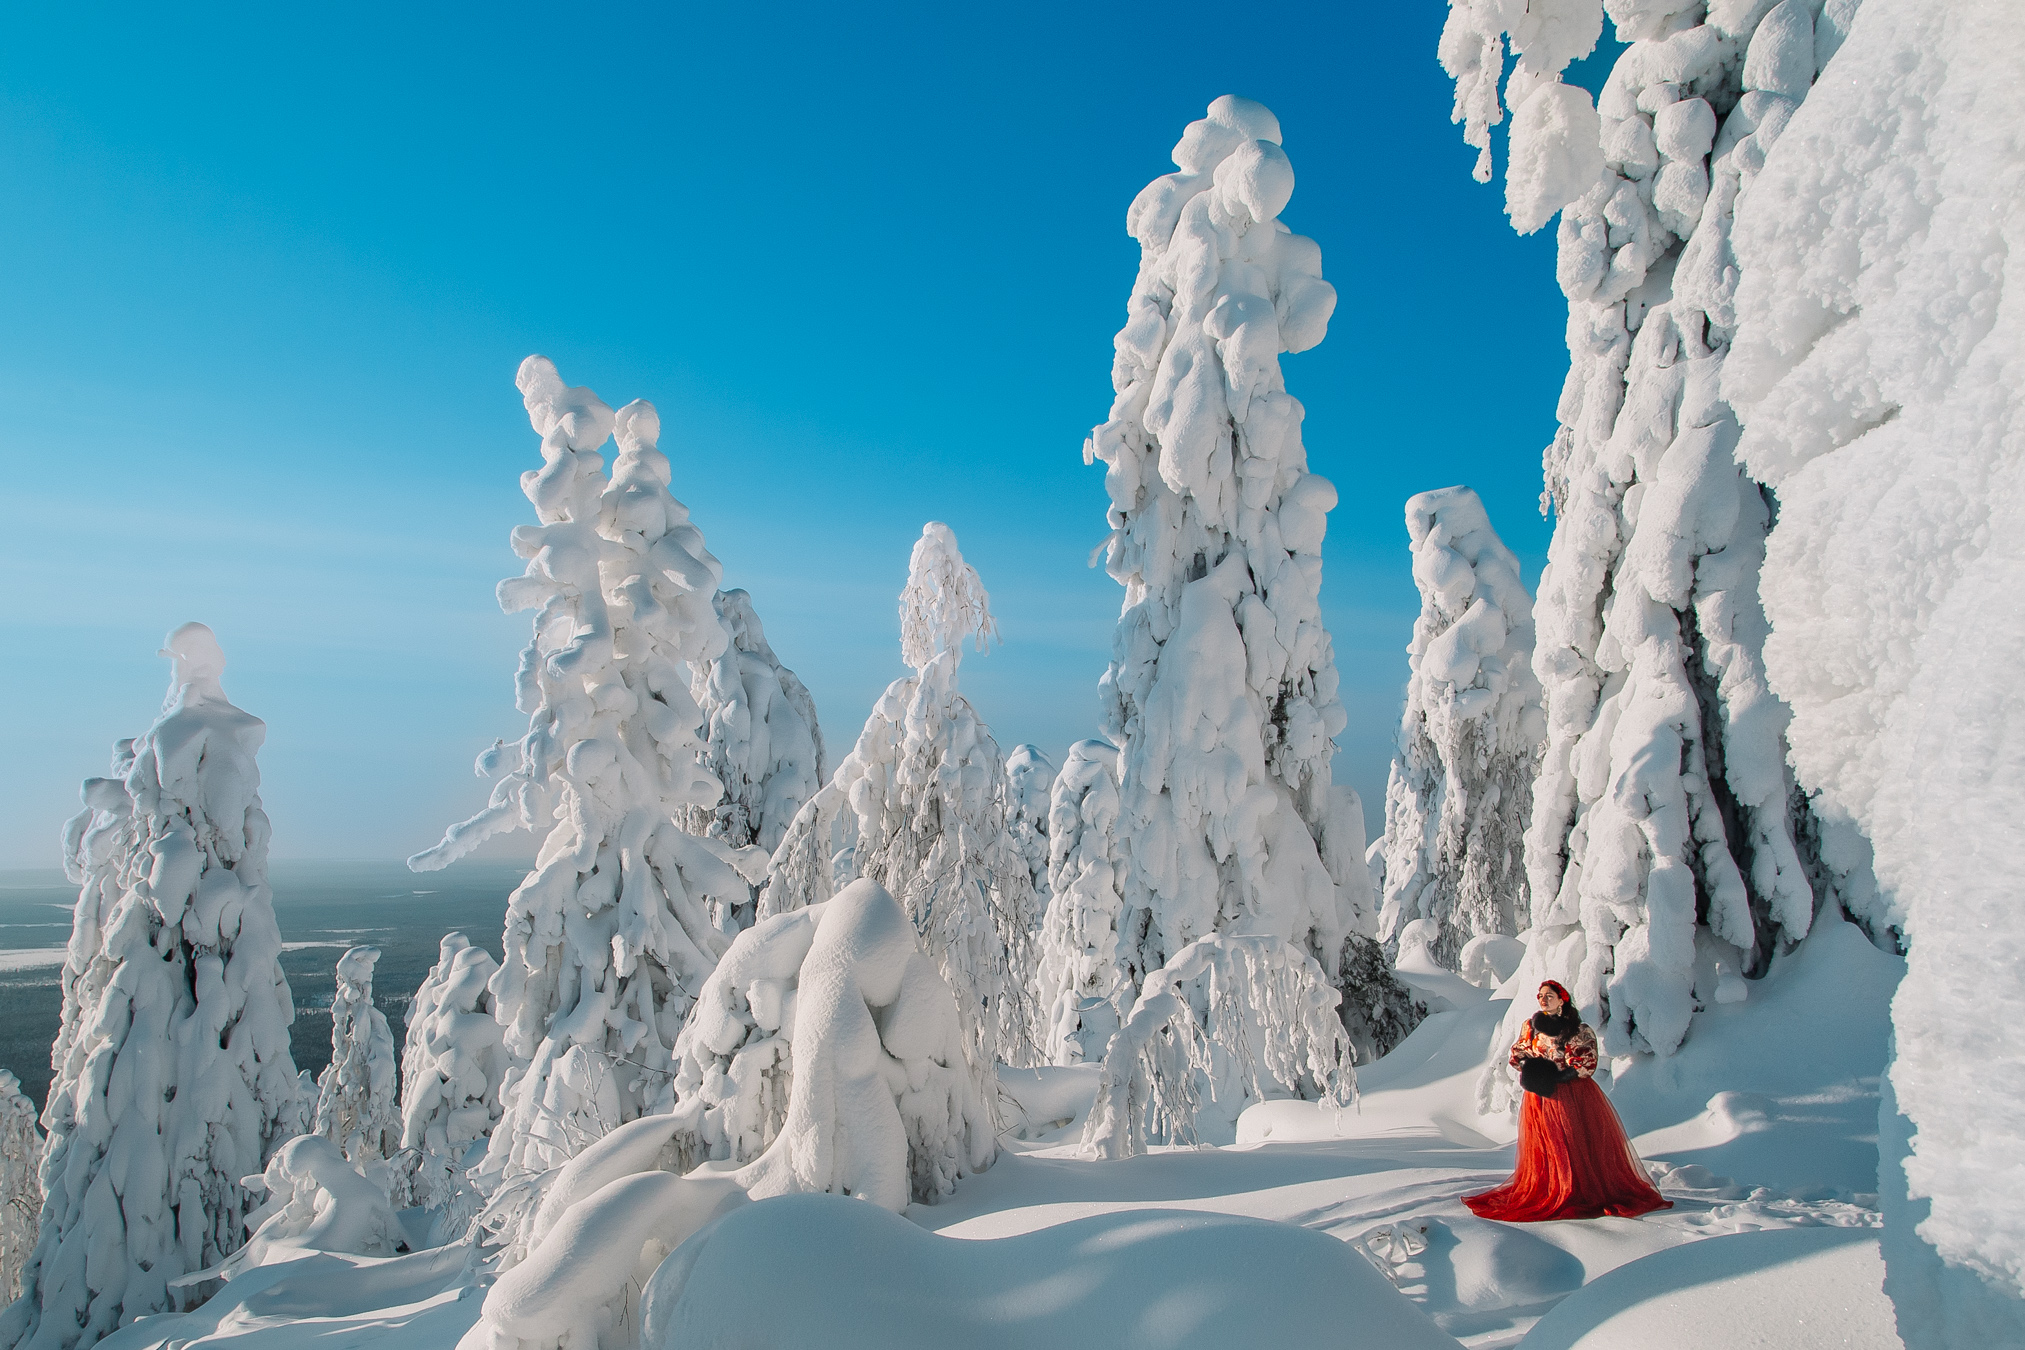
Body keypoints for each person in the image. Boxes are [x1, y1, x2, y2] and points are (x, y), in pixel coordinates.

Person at [1462, 980, 1672, 1222]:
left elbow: (1586, 1061)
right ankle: (1551, 1187)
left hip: (1572, 1095)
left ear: (1562, 999)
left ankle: (1576, 1189)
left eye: (1549, 995)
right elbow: (1517, 1052)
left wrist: (1561, 1074)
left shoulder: (1577, 1029)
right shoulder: (1530, 1027)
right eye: (1540, 995)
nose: (1543, 999)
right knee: (1546, 1143)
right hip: (1539, 1097)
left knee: (1572, 1140)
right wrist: (1532, 1068)